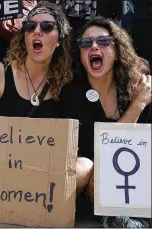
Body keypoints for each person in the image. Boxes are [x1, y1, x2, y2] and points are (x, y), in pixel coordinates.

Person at [0, 1, 93, 223]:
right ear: (24, 36)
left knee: (85, 168)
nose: (37, 31)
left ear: (60, 39)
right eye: (30, 26)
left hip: (41, 171)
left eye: (47, 27)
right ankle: (36, 209)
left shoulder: (67, 80)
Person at [60, 17, 151, 228]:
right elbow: (107, 150)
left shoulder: (137, 87)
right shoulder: (72, 95)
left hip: (137, 178)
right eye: (85, 43)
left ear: (118, 51)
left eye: (103, 41)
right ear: (80, 56)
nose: (93, 46)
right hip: (96, 184)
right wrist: (138, 105)